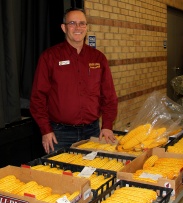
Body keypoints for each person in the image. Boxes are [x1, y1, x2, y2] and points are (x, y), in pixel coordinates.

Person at [30, 8, 118, 154]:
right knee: (61, 175)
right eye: (72, 23)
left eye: (82, 23)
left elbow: (109, 96)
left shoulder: (98, 58)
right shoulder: (49, 57)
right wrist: (46, 130)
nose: (78, 28)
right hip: (59, 135)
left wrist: (107, 125)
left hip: (92, 132)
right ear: (63, 27)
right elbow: (38, 98)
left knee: (92, 175)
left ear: (86, 27)